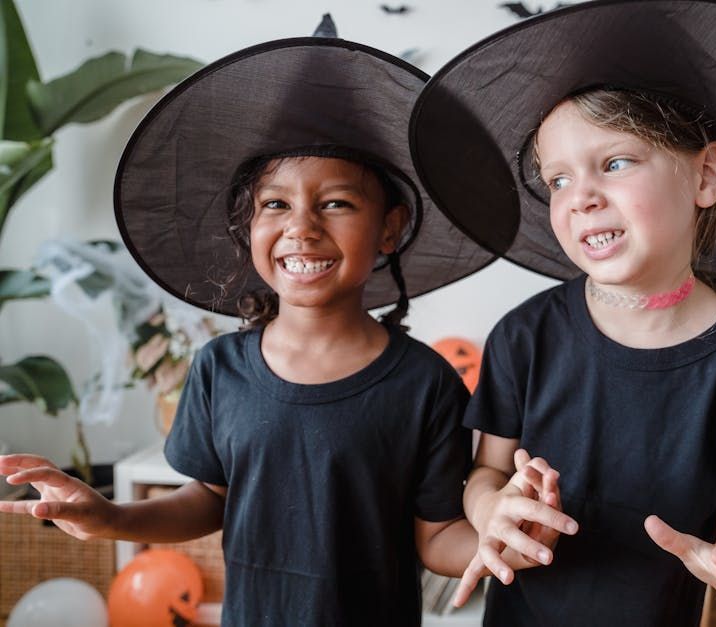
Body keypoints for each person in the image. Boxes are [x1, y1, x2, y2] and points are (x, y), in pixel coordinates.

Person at [0, 38, 570, 626]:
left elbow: (436, 538)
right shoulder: (218, 368)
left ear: (389, 228)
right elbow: (208, 501)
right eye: (274, 204)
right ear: (248, 225)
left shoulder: (426, 383)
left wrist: (494, 542)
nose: (301, 227)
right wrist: (110, 516)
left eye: (337, 203)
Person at [409, 1, 716, 626]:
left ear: (706, 175)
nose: (581, 198)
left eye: (615, 163)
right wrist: (493, 511)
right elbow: (486, 473)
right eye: (558, 180)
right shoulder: (524, 338)